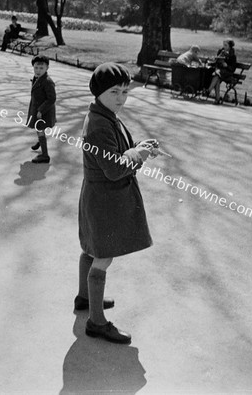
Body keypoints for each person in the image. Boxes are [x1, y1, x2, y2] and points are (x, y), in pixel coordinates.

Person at [76, 62, 162, 345]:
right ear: (99, 92)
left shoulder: (104, 114)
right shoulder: (101, 123)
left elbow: (117, 149)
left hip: (98, 196)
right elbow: (114, 168)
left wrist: (140, 145)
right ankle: (96, 323)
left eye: (125, 92)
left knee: (92, 247)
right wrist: (139, 155)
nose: (121, 98)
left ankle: (84, 298)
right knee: (103, 256)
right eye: (114, 92)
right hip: (105, 199)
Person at [27, 55, 56, 164]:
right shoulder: (37, 78)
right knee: (38, 127)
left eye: (41, 68)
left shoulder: (48, 82)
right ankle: (40, 141)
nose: (38, 71)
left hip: (43, 111)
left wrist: (41, 110)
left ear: (47, 68)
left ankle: (45, 155)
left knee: (40, 128)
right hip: (36, 108)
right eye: (36, 68)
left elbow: (52, 98)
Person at [205, 39, 237, 104]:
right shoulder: (221, 51)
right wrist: (216, 59)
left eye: (226, 45)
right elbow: (217, 61)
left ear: (230, 46)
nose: (224, 46)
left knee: (217, 75)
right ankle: (217, 99)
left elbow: (233, 69)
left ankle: (209, 90)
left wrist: (226, 65)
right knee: (217, 77)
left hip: (228, 73)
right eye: (223, 45)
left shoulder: (233, 56)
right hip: (220, 71)